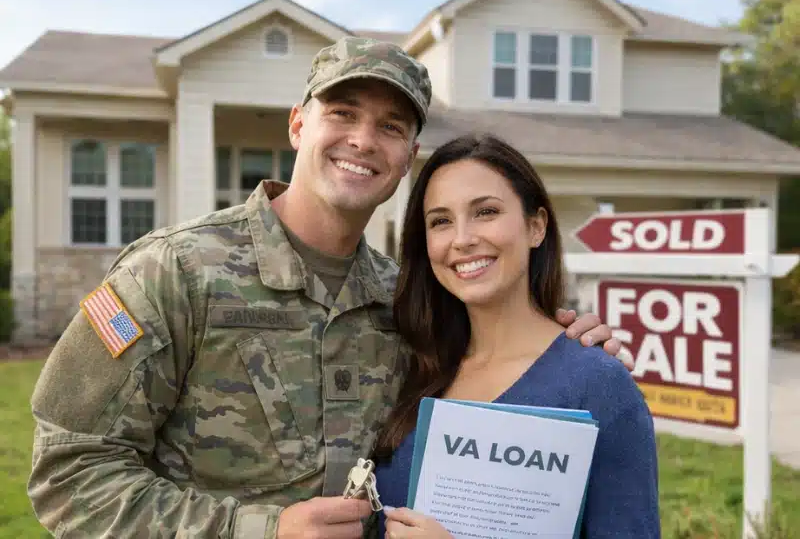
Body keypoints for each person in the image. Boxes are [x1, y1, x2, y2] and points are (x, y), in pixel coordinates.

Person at [27, 38, 626, 539]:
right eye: (342, 113)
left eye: (390, 126)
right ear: (298, 124)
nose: (363, 140)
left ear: (408, 157)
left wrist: (569, 344)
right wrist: (263, 531)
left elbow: (498, 352)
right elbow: (68, 473)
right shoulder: (175, 272)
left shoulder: (405, 301)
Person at [371, 134, 660, 538]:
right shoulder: (405, 365)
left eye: (486, 212)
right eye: (441, 221)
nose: (462, 239)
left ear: (536, 226)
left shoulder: (598, 386)